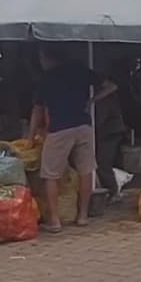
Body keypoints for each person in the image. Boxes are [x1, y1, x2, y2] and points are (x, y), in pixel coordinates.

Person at [29, 48, 118, 232]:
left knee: (51, 174)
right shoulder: (80, 71)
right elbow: (111, 86)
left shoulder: (47, 78)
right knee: (86, 170)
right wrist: (92, 100)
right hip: (84, 126)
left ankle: (55, 221)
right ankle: (83, 216)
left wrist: (30, 137)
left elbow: (38, 110)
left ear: (47, 58)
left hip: (59, 129)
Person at [94, 90, 127, 200]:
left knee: (102, 162)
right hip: (112, 131)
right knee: (110, 161)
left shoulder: (104, 97)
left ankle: (113, 191)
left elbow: (99, 119)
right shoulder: (106, 96)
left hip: (109, 132)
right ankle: (114, 188)